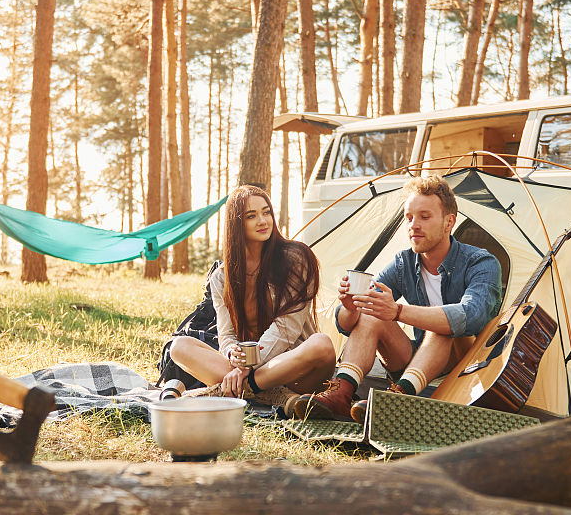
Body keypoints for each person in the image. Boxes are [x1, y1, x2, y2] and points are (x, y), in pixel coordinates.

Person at [293, 175, 503, 422]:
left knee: (442, 324)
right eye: (409, 217)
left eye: (424, 217)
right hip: (417, 362)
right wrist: (351, 307)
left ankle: (398, 399)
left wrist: (398, 312)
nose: (413, 225)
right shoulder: (404, 263)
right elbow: (346, 324)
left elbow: (472, 316)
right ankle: (341, 393)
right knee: (372, 313)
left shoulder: (481, 262)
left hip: (468, 369)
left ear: (449, 223)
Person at [169, 185, 337, 406]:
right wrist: (232, 354)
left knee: (322, 344)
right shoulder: (222, 277)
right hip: (251, 371)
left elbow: (287, 329)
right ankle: (273, 396)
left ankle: (234, 390)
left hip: (296, 368)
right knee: (179, 346)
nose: (263, 221)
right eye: (252, 216)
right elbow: (227, 335)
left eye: (267, 212)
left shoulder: (297, 259)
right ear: (236, 224)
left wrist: (246, 368)